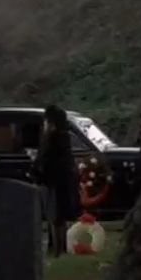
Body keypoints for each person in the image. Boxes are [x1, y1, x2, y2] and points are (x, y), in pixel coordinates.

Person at [32, 105, 80, 257]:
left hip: (55, 182)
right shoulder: (61, 137)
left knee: (55, 217)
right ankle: (59, 247)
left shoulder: (55, 138)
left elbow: (48, 161)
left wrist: (40, 173)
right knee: (57, 217)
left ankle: (58, 249)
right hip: (58, 181)